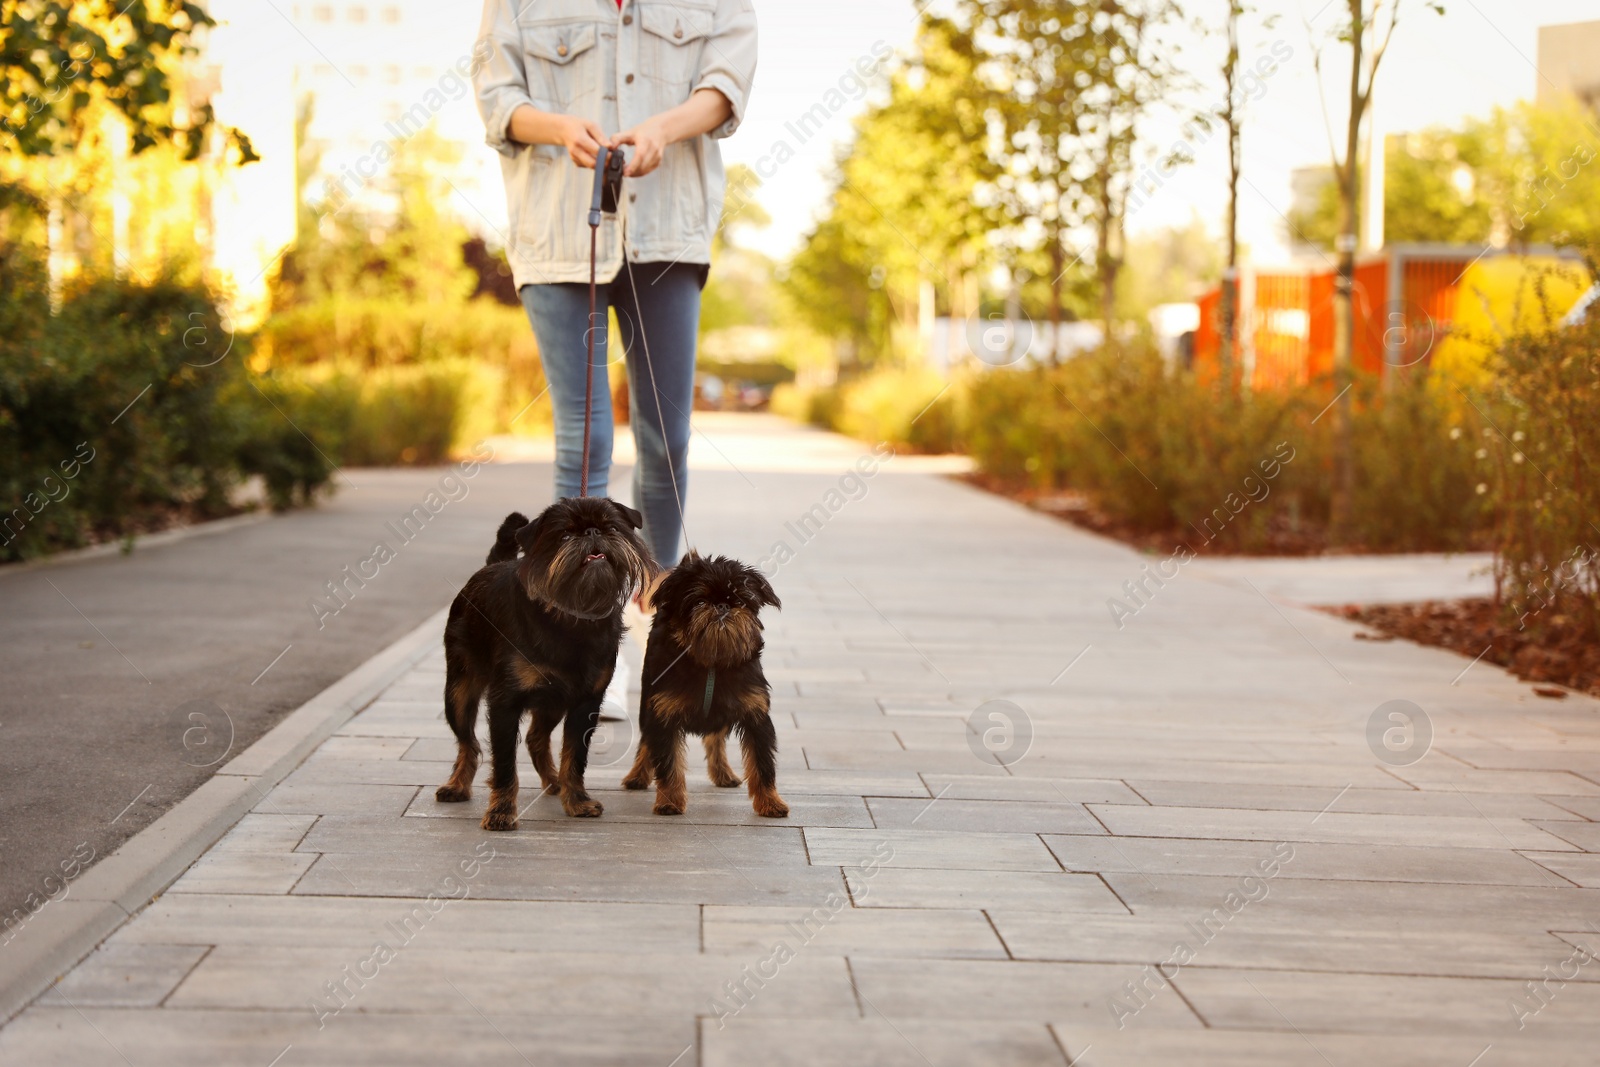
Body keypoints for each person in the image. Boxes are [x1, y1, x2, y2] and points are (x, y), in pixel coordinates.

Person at [473, 0, 758, 582]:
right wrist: (558, 127)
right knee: (584, 436)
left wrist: (661, 128)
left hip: (668, 234)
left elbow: (727, 84)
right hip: (558, 231)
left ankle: (657, 598)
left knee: (666, 436)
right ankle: (572, 616)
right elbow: (496, 93)